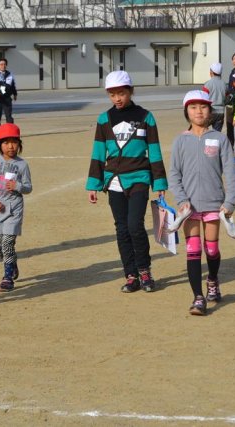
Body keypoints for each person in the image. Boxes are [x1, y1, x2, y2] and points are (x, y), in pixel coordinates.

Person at [86, 70, 168, 293]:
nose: (117, 99)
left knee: (135, 226)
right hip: (113, 180)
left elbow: (155, 152)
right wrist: (93, 184)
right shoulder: (104, 119)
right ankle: (130, 275)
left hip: (139, 178)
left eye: (121, 93)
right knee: (122, 229)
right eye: (112, 94)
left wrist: (159, 183)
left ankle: (145, 271)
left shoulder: (146, 117)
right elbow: (98, 152)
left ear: (131, 91)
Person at [168, 90, 235, 315]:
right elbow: (174, 174)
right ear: (186, 112)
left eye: (203, 107)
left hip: (214, 205)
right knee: (193, 249)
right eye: (193, 107)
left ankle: (213, 279)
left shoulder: (219, 139)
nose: (198, 111)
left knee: (212, 249)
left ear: (210, 110)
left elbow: (231, 172)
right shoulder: (180, 141)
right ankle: (198, 297)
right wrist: (181, 200)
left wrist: (229, 202)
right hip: (189, 208)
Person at [0, 123, 32, 292]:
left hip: (14, 210)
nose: (10, 146)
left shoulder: (22, 165)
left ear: (19, 144)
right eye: (6, 142)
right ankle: (12, 263)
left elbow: (28, 187)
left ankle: (7, 277)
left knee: (7, 244)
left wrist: (18, 186)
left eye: (14, 142)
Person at [202, 62, 225, 132]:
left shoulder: (208, 84)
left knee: (202, 130)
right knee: (217, 134)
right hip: (221, 112)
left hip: (210, 111)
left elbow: (203, 99)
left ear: (211, 72)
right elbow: (227, 98)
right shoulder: (224, 84)